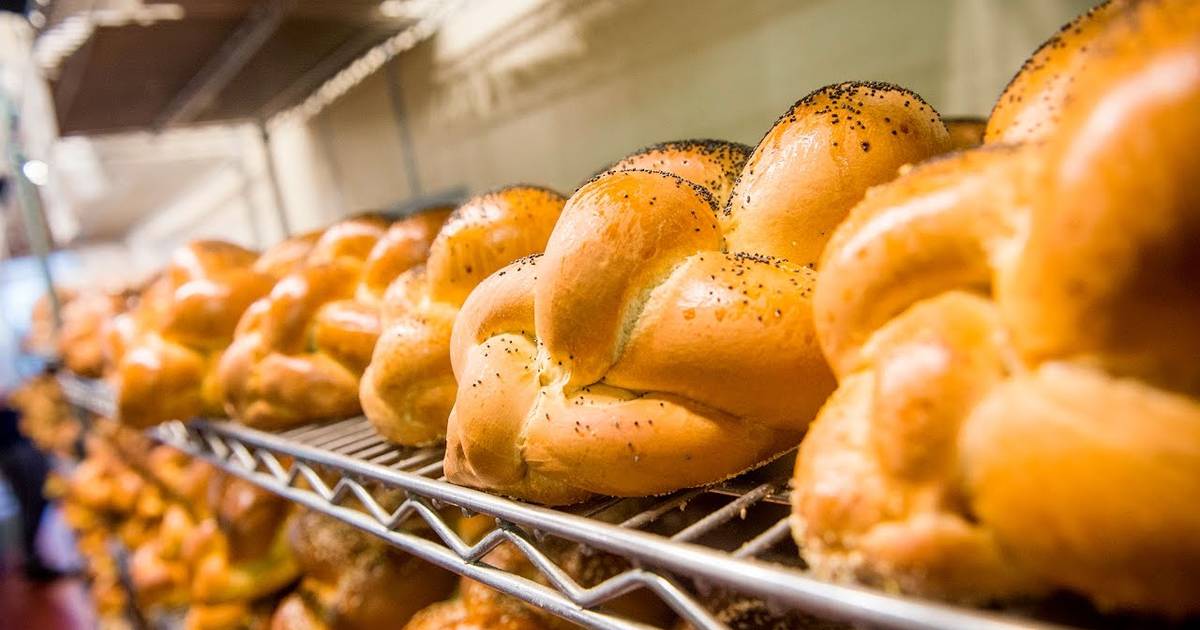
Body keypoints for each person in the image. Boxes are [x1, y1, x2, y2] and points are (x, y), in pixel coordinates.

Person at [0, 387, 60, 580]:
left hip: (16, 444)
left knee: (34, 499)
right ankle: (31, 559)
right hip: (13, 447)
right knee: (32, 500)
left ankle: (32, 557)